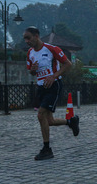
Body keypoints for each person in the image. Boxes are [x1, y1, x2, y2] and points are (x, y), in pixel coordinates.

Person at [24, 26, 79, 160]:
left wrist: (54, 76)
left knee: (40, 114)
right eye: (25, 38)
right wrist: (33, 69)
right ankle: (71, 122)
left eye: (28, 38)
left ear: (36, 36)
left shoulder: (51, 49)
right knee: (49, 121)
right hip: (41, 87)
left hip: (54, 86)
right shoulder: (30, 53)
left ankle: (47, 149)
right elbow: (31, 71)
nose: (26, 41)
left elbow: (68, 64)